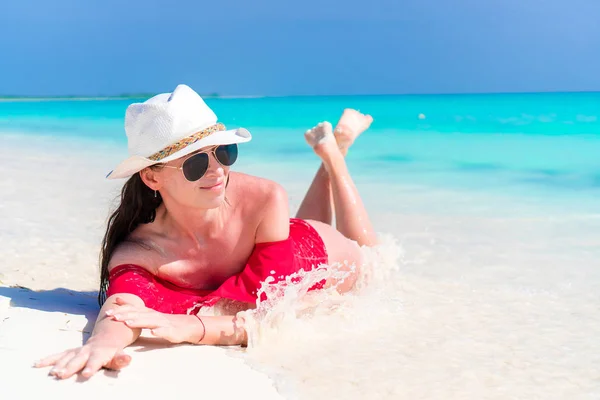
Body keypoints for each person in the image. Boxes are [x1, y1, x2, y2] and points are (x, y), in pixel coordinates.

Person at [34, 84, 377, 380]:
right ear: (152, 178)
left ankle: (335, 156)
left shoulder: (265, 196)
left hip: (329, 256)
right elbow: (123, 306)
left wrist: (193, 328)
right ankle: (333, 148)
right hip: (282, 249)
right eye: (195, 163)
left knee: (372, 257)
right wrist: (102, 343)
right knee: (292, 243)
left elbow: (270, 314)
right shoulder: (141, 253)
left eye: (224, 153)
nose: (217, 172)